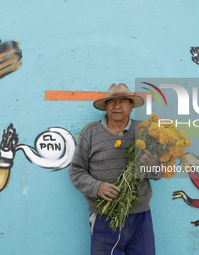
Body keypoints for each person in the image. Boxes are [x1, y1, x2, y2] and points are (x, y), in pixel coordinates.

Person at [69, 83, 162, 255]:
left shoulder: (145, 131)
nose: (117, 106)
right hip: (105, 216)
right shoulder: (90, 132)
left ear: (131, 106)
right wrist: (97, 187)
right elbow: (76, 171)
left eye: (123, 101)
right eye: (112, 101)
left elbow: (157, 174)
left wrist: (154, 167)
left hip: (140, 215)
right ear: (106, 106)